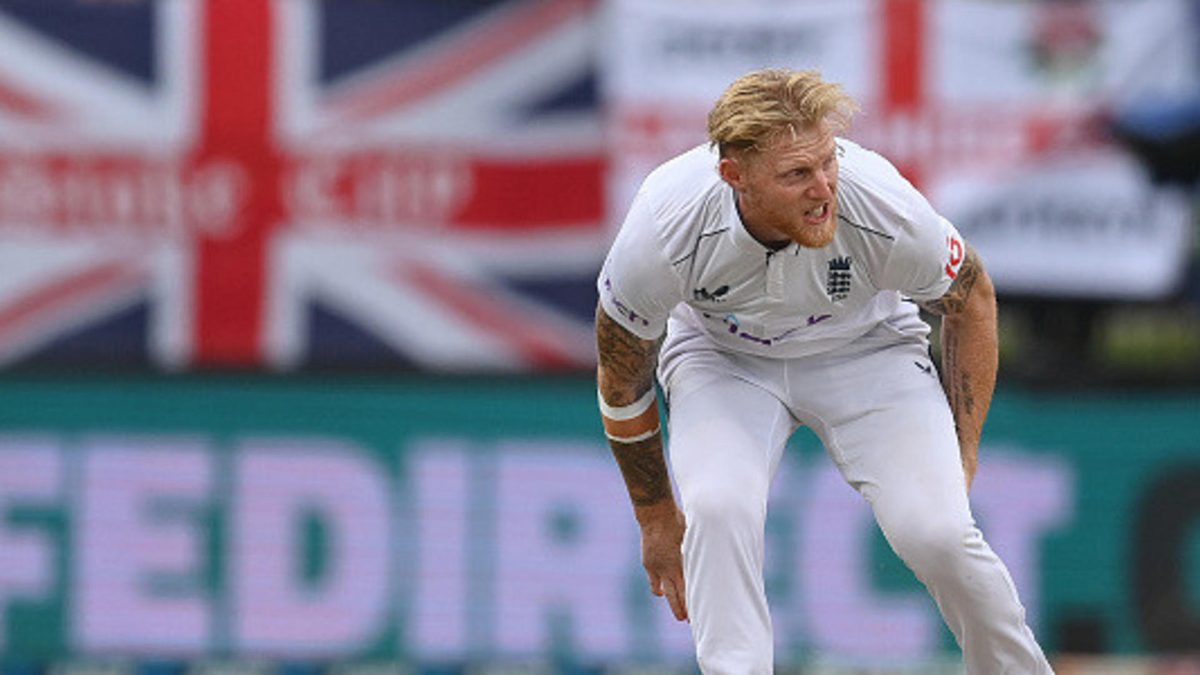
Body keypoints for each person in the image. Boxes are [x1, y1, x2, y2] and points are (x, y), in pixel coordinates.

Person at [594, 68, 1054, 674]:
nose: (823, 190)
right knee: (718, 508)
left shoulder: (883, 206)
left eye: (828, 162)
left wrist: (962, 452)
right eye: (796, 175)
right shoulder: (664, 226)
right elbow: (622, 376)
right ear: (735, 177)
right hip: (722, 358)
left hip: (867, 348)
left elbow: (972, 297)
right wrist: (655, 518)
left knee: (939, 532)